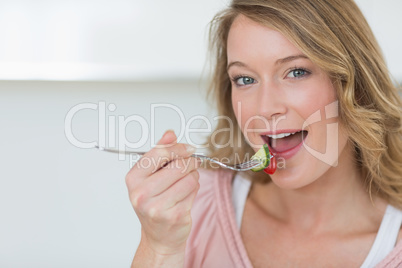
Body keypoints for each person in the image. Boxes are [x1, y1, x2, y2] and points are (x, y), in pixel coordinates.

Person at [125, 0, 402, 267]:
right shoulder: (190, 207)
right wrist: (159, 249)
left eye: (296, 72)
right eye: (245, 79)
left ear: (356, 82)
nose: (264, 108)